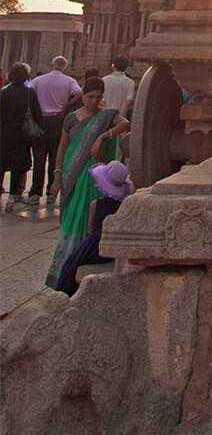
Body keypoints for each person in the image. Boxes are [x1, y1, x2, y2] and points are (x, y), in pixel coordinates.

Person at [44, 77, 130, 288]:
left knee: (85, 217)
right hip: (71, 175)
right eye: (90, 96)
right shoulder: (71, 119)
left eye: (98, 97)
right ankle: (63, 267)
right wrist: (56, 176)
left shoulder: (106, 115)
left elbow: (126, 123)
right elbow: (62, 149)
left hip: (92, 178)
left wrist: (102, 137)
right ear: (82, 95)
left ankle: (79, 260)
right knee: (70, 215)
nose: (94, 101)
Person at [53, 160, 135, 297]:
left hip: (92, 246)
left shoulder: (95, 204)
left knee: (71, 264)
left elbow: (90, 229)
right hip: (108, 247)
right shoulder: (122, 208)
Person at [25, 56, 82, 207]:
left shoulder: (39, 80)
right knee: (56, 157)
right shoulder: (68, 81)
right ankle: (51, 193)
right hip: (58, 120)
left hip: (41, 120)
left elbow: (29, 92)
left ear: (52, 65)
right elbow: (80, 93)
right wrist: (67, 106)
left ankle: (35, 193)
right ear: (65, 67)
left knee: (39, 157)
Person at [0, 63, 42, 212]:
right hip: (23, 135)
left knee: (2, 165)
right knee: (18, 167)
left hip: (4, 133)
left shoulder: (3, 93)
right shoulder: (30, 93)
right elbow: (37, 114)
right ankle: (12, 197)